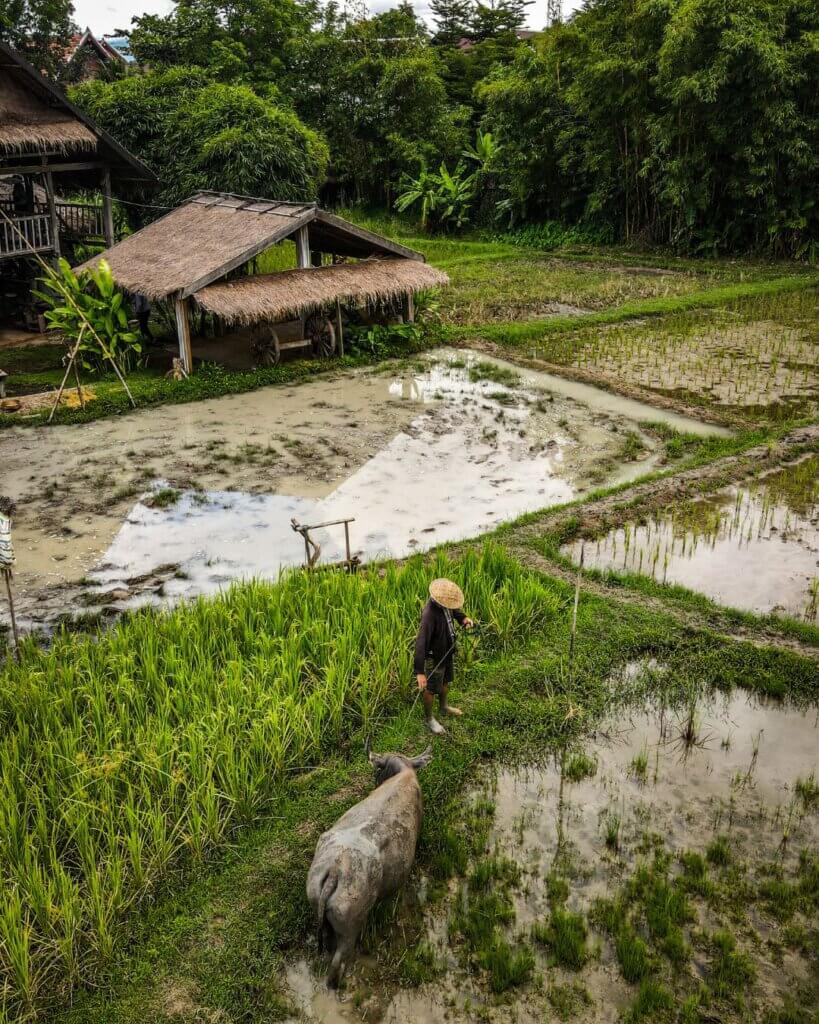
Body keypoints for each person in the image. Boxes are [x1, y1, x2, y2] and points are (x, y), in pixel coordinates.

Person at [414, 578, 473, 735]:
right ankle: (429, 719)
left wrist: (463, 619)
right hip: (434, 658)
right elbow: (421, 642)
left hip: (447, 651)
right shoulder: (429, 614)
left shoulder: (446, 605)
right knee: (430, 689)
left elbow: (455, 611)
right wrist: (419, 671)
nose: (449, 605)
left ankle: (444, 707)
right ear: (438, 599)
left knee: (446, 681)